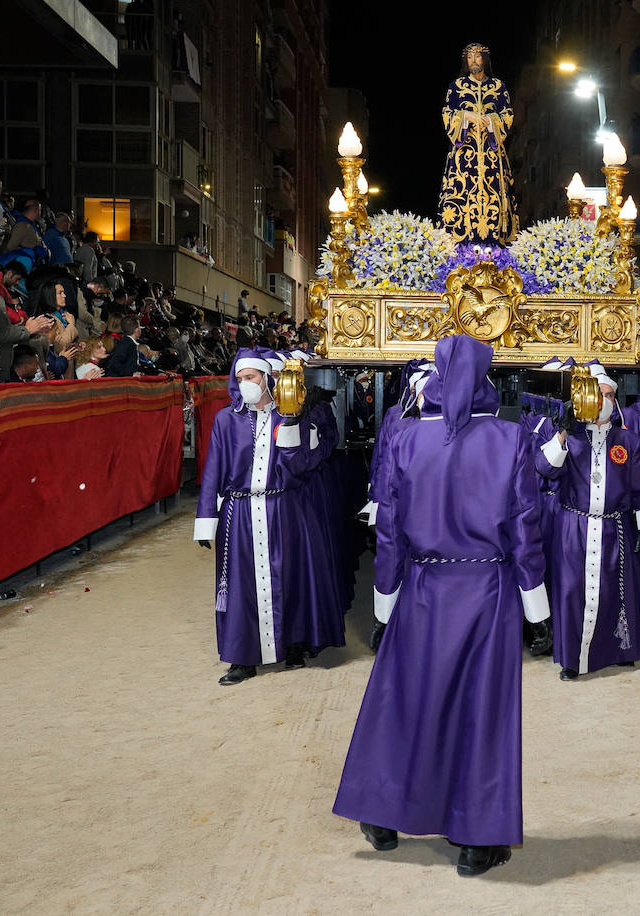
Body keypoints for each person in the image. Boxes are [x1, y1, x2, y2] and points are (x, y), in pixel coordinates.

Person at [334, 335, 551, 878]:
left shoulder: (405, 439)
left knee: (404, 699)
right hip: (487, 592)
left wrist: (383, 606)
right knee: (483, 712)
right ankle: (478, 838)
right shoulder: (510, 438)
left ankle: (381, 814)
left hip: (424, 589)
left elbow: (388, 531)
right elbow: (525, 529)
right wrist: (537, 609)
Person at [194, 348, 343, 682]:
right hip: (241, 513)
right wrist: (206, 520)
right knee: (242, 584)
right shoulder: (226, 420)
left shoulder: (289, 415)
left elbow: (300, 467)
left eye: (251, 377)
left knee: (288, 576)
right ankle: (242, 658)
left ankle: (291, 644)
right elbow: (213, 470)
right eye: (241, 378)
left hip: (282, 507)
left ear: (268, 379)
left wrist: (291, 423)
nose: (245, 383)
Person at [536, 370, 640, 680]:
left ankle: (620, 649)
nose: (602, 401)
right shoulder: (570, 436)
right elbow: (544, 469)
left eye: (608, 396)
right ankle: (571, 657)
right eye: (597, 394)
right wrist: (562, 433)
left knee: (615, 592)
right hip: (573, 527)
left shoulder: (628, 440)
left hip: (613, 527)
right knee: (573, 592)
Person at [440, 43, 515, 244]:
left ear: (485, 60)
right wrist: (467, 117)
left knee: (495, 196)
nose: (473, 60)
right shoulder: (456, 87)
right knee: (462, 195)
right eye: (470, 57)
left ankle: (496, 243)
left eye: (477, 56)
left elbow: (507, 115)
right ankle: (460, 244)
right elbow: (447, 114)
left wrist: (491, 121)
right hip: (464, 155)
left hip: (491, 157)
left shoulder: (498, 87)